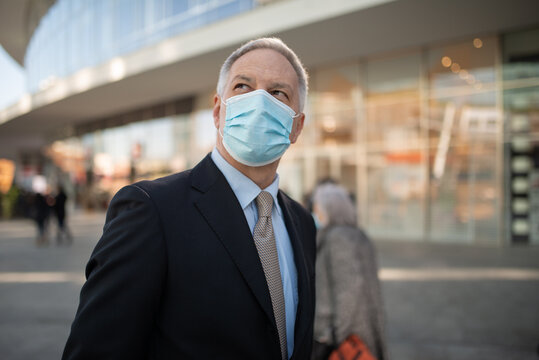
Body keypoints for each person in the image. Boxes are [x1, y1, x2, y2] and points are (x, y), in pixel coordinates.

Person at [62, 38, 316, 360]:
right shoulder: (151, 210)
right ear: (217, 110)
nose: (259, 101)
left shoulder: (303, 223)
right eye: (242, 86)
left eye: (278, 93)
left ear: (297, 126)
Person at [311, 183, 388, 360]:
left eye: (317, 208)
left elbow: (349, 295)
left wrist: (339, 339)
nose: (315, 213)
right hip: (356, 332)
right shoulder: (356, 235)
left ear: (329, 209)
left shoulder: (339, 238)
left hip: (338, 339)